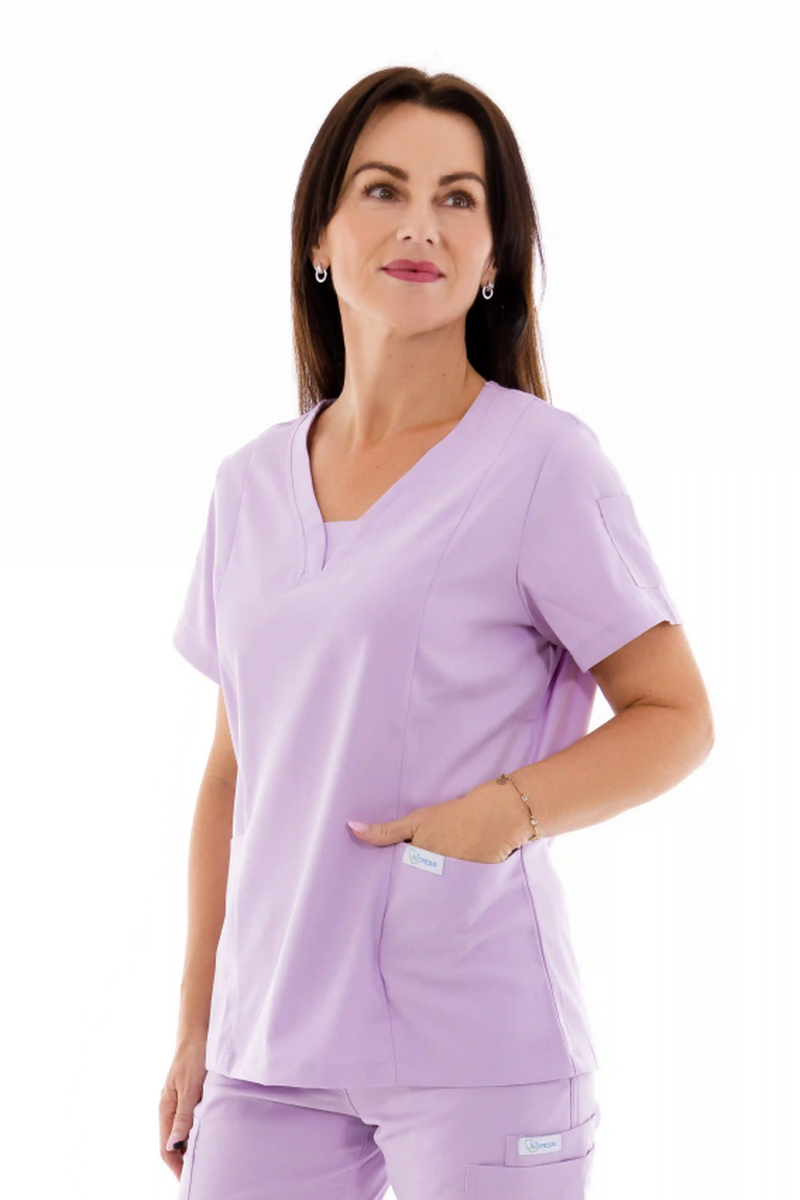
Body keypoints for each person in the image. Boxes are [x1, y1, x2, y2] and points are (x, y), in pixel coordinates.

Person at [159, 67, 714, 1200]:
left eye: (458, 198)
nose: (420, 224)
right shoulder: (248, 485)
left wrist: (500, 815)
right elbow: (231, 773)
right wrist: (195, 1024)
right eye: (383, 189)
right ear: (319, 237)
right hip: (266, 1049)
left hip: (474, 1038)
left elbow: (677, 717)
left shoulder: (542, 463)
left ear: (494, 256)